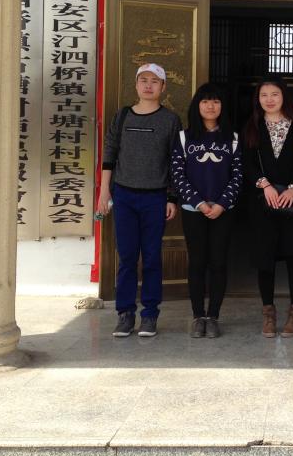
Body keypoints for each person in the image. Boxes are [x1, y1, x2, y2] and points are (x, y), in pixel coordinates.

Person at [96, 63, 181, 338]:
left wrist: (172, 198)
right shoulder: (122, 116)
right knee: (127, 257)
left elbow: (176, 161)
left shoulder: (170, 120)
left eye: (155, 81)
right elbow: (109, 154)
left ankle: (150, 315)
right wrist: (104, 192)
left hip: (155, 196)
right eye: (143, 80)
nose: (148, 85)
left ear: (163, 87)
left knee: (152, 257)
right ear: (136, 85)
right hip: (124, 195)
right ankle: (125, 314)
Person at [171, 83, 242, 339]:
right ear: (197, 106)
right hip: (193, 209)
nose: (210, 106)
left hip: (224, 210)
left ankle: (213, 316)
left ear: (222, 106)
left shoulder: (233, 138)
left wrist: (221, 203)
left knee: (218, 262)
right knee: (197, 262)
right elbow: (177, 175)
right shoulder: (184, 137)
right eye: (205, 101)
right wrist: (199, 203)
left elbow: (238, 175)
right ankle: (198, 315)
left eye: (216, 101)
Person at [242, 78, 293, 338]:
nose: (269, 99)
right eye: (264, 95)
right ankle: (268, 313)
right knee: (265, 258)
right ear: (258, 99)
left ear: (284, 96)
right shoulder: (252, 126)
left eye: (275, 94)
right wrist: (265, 185)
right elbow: (246, 162)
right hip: (264, 201)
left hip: (292, 201)